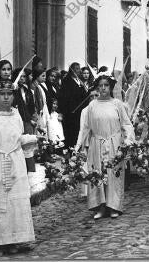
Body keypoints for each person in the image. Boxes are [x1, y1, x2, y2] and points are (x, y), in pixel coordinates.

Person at [0, 80, 36, 256]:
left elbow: (18, 138)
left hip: (15, 162)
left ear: (13, 96)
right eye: (2, 94)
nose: (6, 97)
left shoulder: (16, 115)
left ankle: (13, 240)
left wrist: (32, 139)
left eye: (9, 94)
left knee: (16, 203)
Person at [75, 74, 135, 220]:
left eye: (106, 85)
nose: (103, 88)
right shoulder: (92, 106)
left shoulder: (117, 104)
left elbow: (126, 124)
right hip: (97, 144)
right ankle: (101, 207)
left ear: (111, 87)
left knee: (114, 175)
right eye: (100, 85)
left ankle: (113, 206)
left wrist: (128, 141)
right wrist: (78, 147)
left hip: (114, 144)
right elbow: (85, 128)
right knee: (98, 174)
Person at [57, 63, 88, 148]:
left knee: (78, 130)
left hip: (79, 110)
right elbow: (64, 97)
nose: (79, 71)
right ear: (72, 70)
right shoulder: (67, 81)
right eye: (76, 69)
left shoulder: (79, 80)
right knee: (71, 131)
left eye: (79, 69)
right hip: (71, 111)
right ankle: (70, 148)